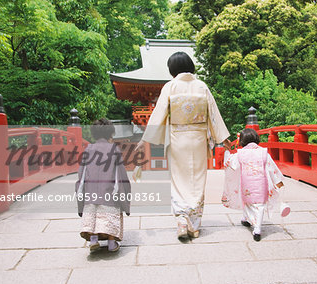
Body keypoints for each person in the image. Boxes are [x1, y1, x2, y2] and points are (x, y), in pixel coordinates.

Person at [137, 52, 230, 240]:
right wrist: (224, 138)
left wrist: (145, 139)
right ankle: (194, 226)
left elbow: (159, 113)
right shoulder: (202, 86)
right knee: (197, 181)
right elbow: (213, 115)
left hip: (178, 139)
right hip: (198, 139)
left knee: (179, 181)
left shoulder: (170, 86)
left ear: (172, 70)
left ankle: (181, 220)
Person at [222, 128, 288, 241]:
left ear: (242, 141)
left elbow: (229, 163)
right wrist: (278, 182)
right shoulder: (263, 153)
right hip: (261, 185)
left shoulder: (240, 154)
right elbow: (272, 168)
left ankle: (249, 220)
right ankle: (257, 228)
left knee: (247, 202)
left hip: (246, 184)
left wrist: (228, 150)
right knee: (260, 205)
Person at [76, 118, 131, 252]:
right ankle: (112, 244)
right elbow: (121, 175)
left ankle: (93, 240)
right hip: (109, 193)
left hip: (91, 193)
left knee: (93, 215)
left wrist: (80, 197)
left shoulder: (88, 149)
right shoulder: (114, 150)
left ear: (94, 133)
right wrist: (126, 196)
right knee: (109, 214)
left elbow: (81, 174)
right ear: (110, 134)